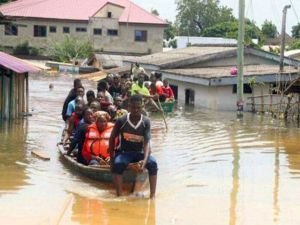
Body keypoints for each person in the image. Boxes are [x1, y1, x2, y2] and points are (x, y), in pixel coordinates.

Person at [109, 95, 158, 198]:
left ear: (142, 107)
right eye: (133, 107)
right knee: (118, 164)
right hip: (125, 152)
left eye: (138, 107)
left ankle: (152, 195)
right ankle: (119, 195)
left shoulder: (146, 122)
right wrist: (112, 158)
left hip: (140, 152)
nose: (136, 110)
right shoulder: (121, 121)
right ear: (129, 107)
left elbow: (146, 143)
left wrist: (144, 162)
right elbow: (112, 138)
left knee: (153, 164)